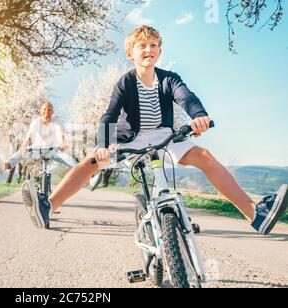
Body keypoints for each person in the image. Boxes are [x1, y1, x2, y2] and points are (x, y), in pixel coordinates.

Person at [20, 25, 288, 235]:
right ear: (131, 53)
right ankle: (48, 206)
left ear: (160, 50)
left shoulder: (169, 79)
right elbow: (109, 114)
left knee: (204, 156)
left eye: (154, 45)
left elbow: (186, 97)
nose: (149, 49)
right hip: (130, 139)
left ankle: (255, 215)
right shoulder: (125, 82)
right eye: (142, 46)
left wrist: (199, 116)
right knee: (91, 162)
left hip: (164, 136)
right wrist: (103, 146)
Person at [0, 101, 77, 175]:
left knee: (70, 160)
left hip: (53, 150)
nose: (46, 111)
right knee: (21, 152)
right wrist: (23, 146)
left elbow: (61, 135)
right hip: (37, 149)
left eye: (49, 109)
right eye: (44, 109)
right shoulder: (36, 122)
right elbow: (29, 136)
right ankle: (5, 166)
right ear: (40, 111)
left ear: (53, 112)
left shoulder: (57, 123)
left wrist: (64, 144)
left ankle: (87, 175)